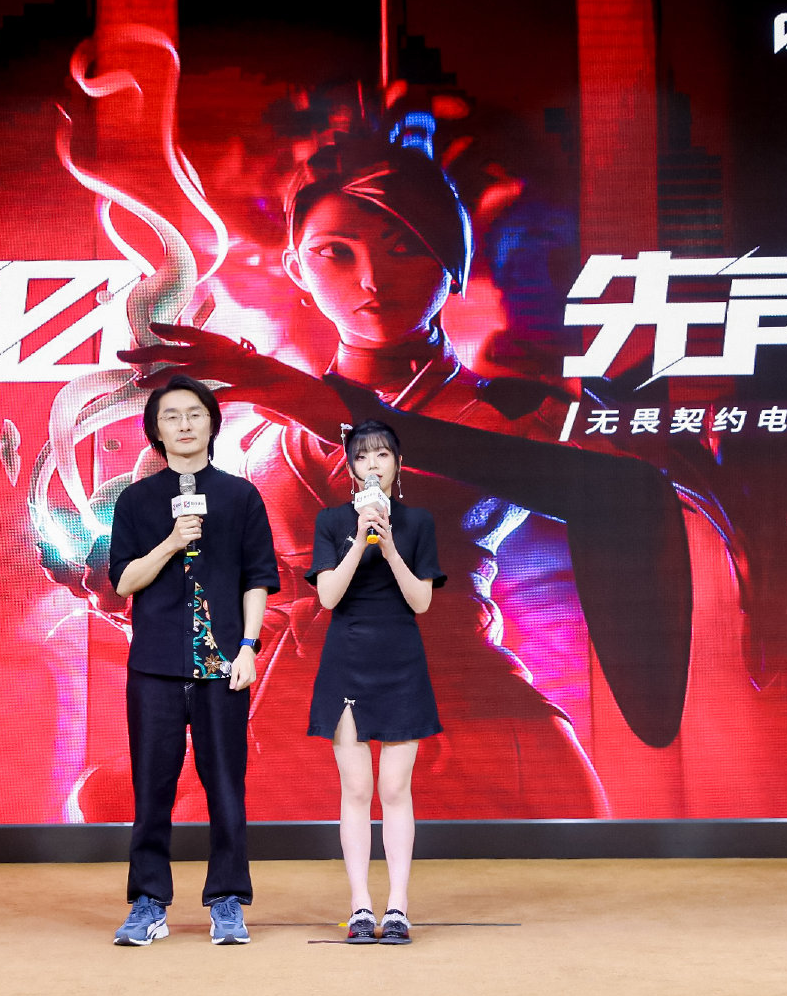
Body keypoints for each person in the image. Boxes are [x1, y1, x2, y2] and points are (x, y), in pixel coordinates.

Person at [120, 128, 692, 821]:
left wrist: (317, 406)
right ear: (296, 267)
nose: (371, 280)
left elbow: (630, 496)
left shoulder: (515, 410)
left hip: (467, 710)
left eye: (405, 247)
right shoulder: (254, 431)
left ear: (454, 261)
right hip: (290, 714)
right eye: (336, 252)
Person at [106, 374, 279, 946]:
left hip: (222, 667)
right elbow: (124, 581)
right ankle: (148, 901)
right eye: (171, 416)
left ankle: (227, 899)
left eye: (195, 414)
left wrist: (249, 647)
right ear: (155, 431)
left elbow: (258, 579)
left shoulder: (240, 496)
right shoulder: (135, 500)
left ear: (211, 423)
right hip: (155, 666)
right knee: (152, 787)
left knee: (226, 785)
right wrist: (172, 541)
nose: (184, 424)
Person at [307, 419, 444, 945]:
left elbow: (422, 601)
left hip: (401, 662)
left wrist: (388, 547)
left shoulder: (417, 522)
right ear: (350, 468)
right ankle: (361, 904)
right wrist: (359, 541)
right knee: (357, 788)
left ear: (398, 465)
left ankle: (398, 906)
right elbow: (328, 597)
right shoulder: (330, 521)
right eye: (362, 456)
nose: (373, 464)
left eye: (382, 455)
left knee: (394, 788)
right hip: (347, 660)